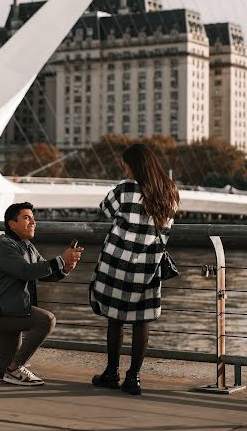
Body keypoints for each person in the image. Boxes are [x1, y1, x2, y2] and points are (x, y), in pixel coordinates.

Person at [0, 201, 84, 386]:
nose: (33, 222)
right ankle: (16, 367)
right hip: (2, 313)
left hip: (14, 310)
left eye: (33, 218)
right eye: (27, 218)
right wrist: (59, 260)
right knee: (46, 320)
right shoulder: (3, 245)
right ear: (12, 224)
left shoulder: (28, 246)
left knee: (4, 369)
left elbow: (43, 273)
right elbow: (25, 271)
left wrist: (65, 268)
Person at [89, 143, 179, 395]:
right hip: (149, 265)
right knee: (142, 321)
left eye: (125, 164)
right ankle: (134, 378)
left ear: (134, 165)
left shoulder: (127, 188)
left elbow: (105, 208)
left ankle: (111, 373)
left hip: (117, 262)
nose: (124, 169)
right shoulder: (170, 191)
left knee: (115, 319)